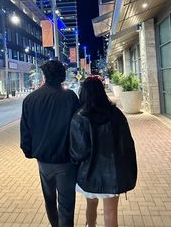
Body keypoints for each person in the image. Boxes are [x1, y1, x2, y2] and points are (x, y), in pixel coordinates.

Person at [70, 77, 137, 227]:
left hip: (89, 175)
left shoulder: (79, 118)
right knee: (111, 212)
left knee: (91, 205)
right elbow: (127, 143)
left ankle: (91, 225)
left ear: (84, 94)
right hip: (114, 174)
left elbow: (78, 153)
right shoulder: (116, 114)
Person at [20, 60, 79, 227]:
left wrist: (29, 151)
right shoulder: (70, 97)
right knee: (67, 205)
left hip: (43, 160)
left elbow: (25, 130)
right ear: (61, 76)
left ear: (45, 76)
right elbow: (78, 128)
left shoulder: (31, 99)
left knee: (49, 199)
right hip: (66, 160)